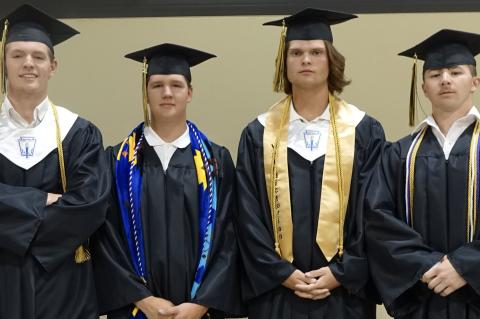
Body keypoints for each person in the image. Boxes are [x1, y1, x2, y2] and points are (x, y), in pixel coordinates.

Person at [235, 8, 385, 319]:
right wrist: (280, 273)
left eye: (316, 52)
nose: (306, 60)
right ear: (284, 64)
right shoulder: (258, 134)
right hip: (277, 295)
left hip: (344, 296)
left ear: (331, 61)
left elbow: (374, 212)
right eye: (297, 52)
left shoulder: (364, 131)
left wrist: (342, 273)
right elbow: (246, 215)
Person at [92, 43, 244, 319]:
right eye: (157, 85)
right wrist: (144, 300)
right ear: (146, 93)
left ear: (190, 93)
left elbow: (230, 238)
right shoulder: (117, 162)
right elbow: (106, 238)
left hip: (200, 311)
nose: (167, 93)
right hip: (137, 310)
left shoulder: (216, 161)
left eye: (176, 85)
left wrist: (202, 303)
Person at [0, 4, 109, 319]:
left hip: (63, 281)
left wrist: (15, 232)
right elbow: (71, 204)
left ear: (53, 66)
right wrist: (41, 200)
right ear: (3, 62)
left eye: (38, 56)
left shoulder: (81, 132)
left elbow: (90, 205)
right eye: (17, 55)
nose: (28, 64)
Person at [366, 29, 480, 318]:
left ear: (475, 82)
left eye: (455, 72)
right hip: (423, 296)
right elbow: (378, 220)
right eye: (435, 74)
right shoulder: (399, 154)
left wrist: (465, 267)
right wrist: (426, 265)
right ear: (423, 87)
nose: (445, 80)